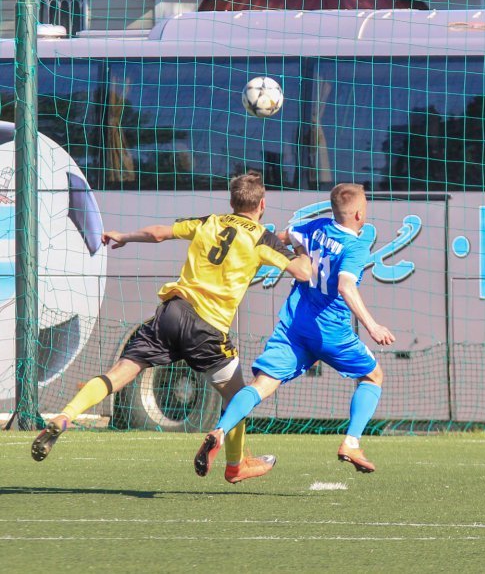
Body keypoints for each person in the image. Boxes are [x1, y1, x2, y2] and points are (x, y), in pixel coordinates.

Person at [31, 173, 313, 484]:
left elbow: (158, 234)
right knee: (238, 398)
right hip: (208, 328)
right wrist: (301, 246)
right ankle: (236, 465)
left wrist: (124, 236)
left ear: (232, 202)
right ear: (262, 204)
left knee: (120, 372)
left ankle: (66, 415)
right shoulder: (261, 237)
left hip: (172, 313)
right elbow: (302, 272)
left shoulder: (210, 222)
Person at [194, 183, 395, 478]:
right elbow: (345, 286)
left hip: (295, 326)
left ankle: (220, 431)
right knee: (373, 376)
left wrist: (295, 251)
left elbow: (281, 237)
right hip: (331, 331)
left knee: (261, 384)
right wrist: (373, 325)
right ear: (359, 214)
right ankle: (351, 443)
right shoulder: (356, 247)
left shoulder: (318, 226)